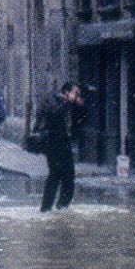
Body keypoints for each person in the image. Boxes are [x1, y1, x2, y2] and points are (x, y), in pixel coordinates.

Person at [36, 81, 84, 213]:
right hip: (52, 143)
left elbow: (78, 120)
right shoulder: (53, 100)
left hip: (64, 143)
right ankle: (48, 207)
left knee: (67, 174)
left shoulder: (68, 104)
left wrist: (78, 105)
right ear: (66, 92)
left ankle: (61, 205)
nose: (77, 95)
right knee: (56, 174)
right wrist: (69, 102)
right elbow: (55, 114)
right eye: (75, 92)